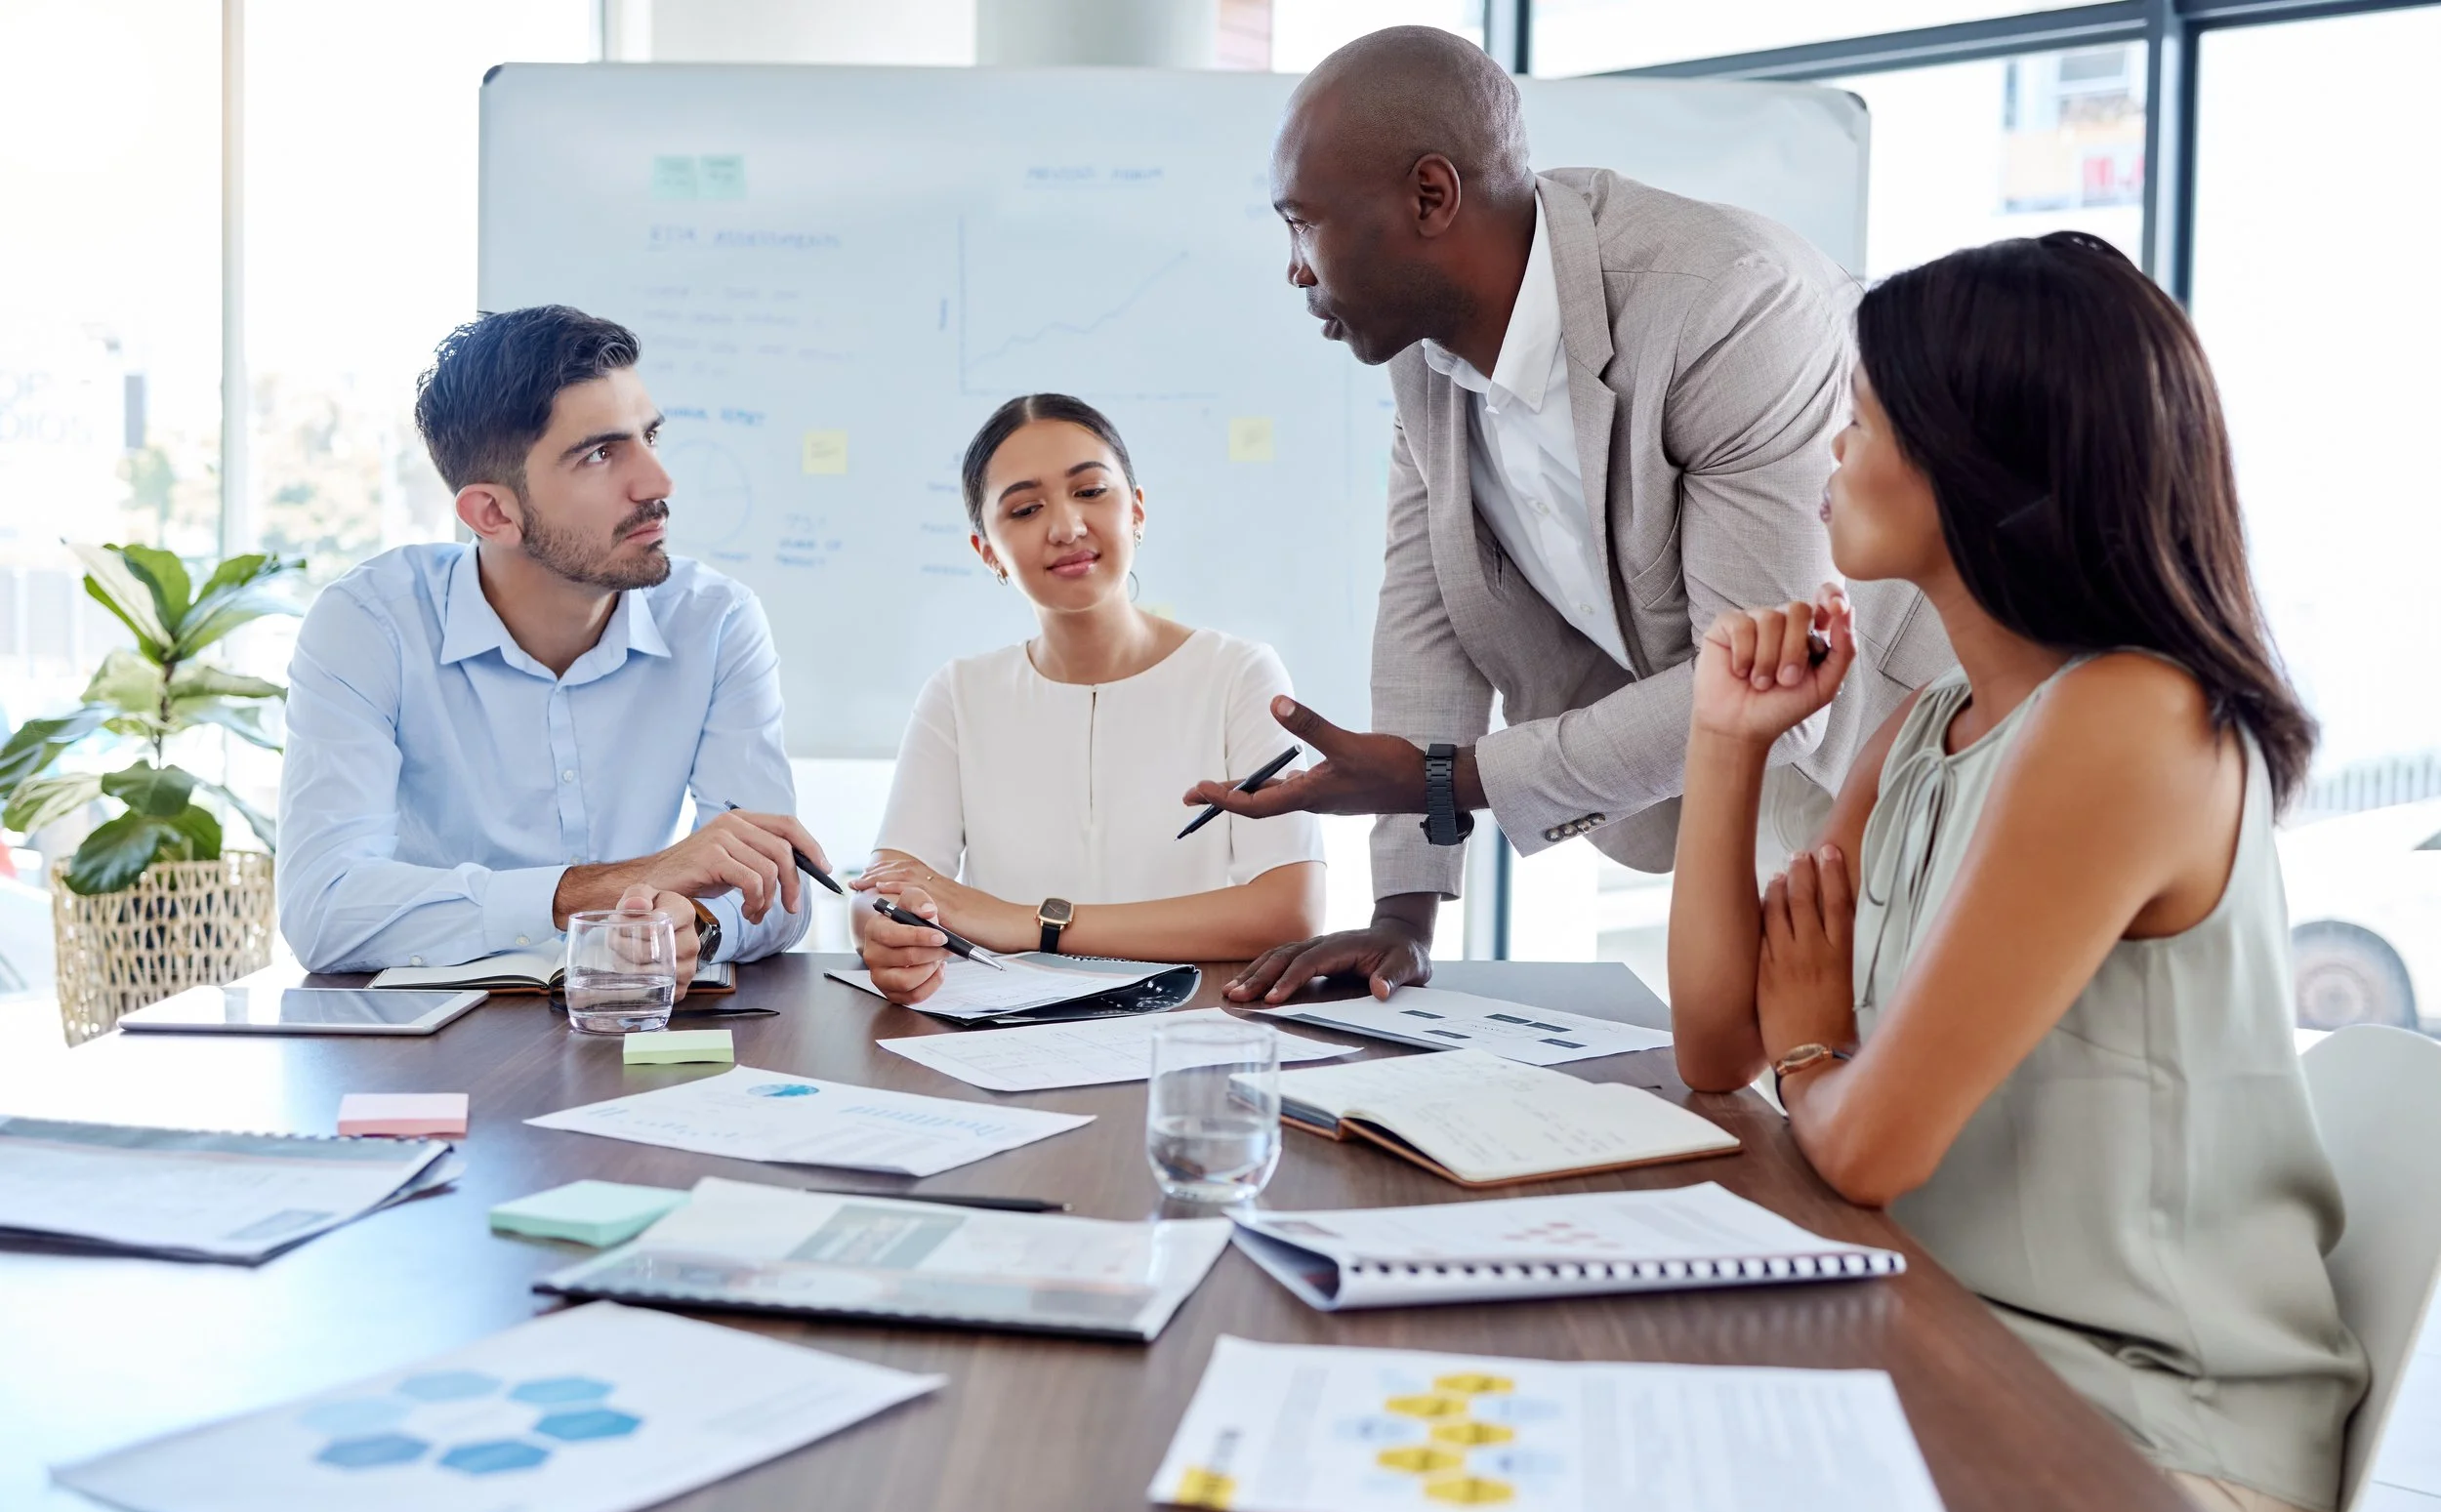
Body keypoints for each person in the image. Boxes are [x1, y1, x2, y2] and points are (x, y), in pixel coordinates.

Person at [1668, 233, 2366, 1512]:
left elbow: (1865, 1147)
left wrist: (1816, 1049)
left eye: (1861, 419)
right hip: (1950, 1351)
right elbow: (1714, 1048)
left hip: (2144, 1434)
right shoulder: (1931, 725)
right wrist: (1726, 742)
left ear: (1978, 458)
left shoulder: (2127, 719)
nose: (1830, 449)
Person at [1188, 26, 1949, 1006]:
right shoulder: (1429, 361)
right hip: (1738, 806)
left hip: (1913, 762)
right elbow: (1426, 622)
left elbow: (1769, 674)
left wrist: (1447, 779)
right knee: (1778, 1097)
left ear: (1430, 196)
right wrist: (1399, 918)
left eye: (1304, 223)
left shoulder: (1724, 304)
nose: (1296, 269)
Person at [277, 305, 831, 989]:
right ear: (494, 513)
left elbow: (776, 886)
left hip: (643, 1027)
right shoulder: (370, 624)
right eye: (600, 454)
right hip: (429, 1051)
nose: (658, 484)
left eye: (649, 436)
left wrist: (693, 921)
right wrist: (602, 891)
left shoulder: (714, 620)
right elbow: (324, 907)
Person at [851, 394, 1326, 1003]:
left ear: (1138, 510)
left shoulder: (1239, 674)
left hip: (1190, 1029)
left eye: (1091, 491)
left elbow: (1290, 911)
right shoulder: (959, 693)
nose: (1066, 527)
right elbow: (882, 888)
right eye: (1025, 509)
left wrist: (1026, 922)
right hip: (999, 1040)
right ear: (987, 551)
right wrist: (888, 931)